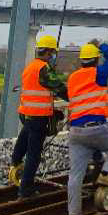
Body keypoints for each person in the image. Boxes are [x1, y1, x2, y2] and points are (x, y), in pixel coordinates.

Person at [66, 40, 108, 215]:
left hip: (75, 132)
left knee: (75, 175)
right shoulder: (98, 73)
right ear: (95, 60)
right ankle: (106, 174)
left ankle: (74, 214)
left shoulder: (72, 78)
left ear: (82, 60)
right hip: (97, 129)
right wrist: (101, 45)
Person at [11, 34, 68, 198]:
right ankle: (26, 189)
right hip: (39, 116)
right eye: (53, 53)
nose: (53, 56)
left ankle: (16, 161)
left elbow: (38, 91)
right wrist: (76, 99)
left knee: (25, 136)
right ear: (49, 52)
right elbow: (58, 87)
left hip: (26, 113)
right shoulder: (44, 69)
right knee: (34, 153)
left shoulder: (30, 66)